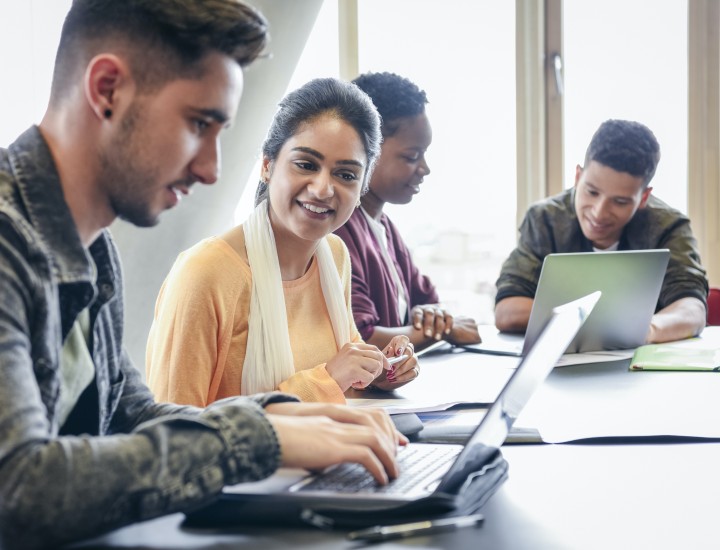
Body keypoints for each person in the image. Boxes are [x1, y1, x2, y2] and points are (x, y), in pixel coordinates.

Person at [0, 2, 405, 549]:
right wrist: (256, 438)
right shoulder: (9, 245)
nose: (212, 168)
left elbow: (129, 413)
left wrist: (290, 420)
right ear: (107, 89)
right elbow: (19, 488)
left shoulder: (94, 251)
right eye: (198, 124)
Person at [146, 77, 419, 407]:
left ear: (362, 187)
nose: (322, 189)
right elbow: (174, 434)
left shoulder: (334, 256)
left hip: (328, 452)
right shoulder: (205, 274)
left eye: (345, 175)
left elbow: (345, 379)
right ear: (266, 166)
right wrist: (326, 379)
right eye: (306, 164)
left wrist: (385, 370)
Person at [495, 119, 708, 344]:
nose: (599, 212)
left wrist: (645, 331)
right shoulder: (545, 220)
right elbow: (507, 310)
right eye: (592, 192)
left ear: (643, 197)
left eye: (620, 201)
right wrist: (607, 324)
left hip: (638, 366)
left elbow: (692, 309)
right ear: (578, 177)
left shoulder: (668, 226)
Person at [334, 72, 481, 351]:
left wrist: (435, 320)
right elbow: (362, 338)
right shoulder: (339, 230)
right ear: (366, 150)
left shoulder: (385, 227)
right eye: (412, 156)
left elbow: (428, 303)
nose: (424, 168)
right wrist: (445, 330)